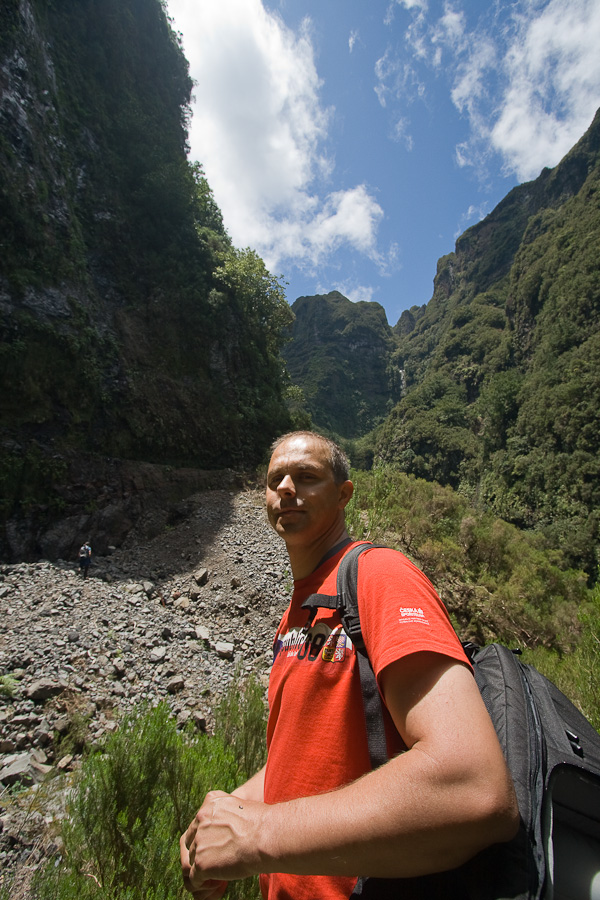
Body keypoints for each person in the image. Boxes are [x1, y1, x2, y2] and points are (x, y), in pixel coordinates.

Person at [181, 431, 519, 900]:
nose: (285, 487)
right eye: (275, 478)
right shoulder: (299, 610)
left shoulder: (380, 576)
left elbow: (472, 787)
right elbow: (305, 758)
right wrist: (229, 813)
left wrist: (260, 835)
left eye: (306, 476)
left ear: (344, 494)